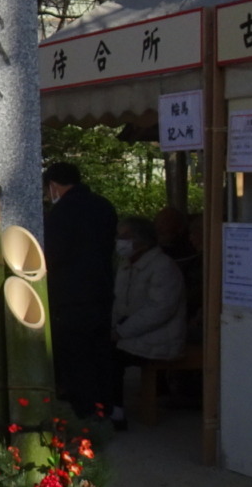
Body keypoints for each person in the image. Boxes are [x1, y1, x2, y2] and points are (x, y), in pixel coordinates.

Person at [42, 162, 119, 426]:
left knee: (76, 357)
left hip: (70, 295)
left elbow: (52, 254)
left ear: (53, 185)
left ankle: (85, 414)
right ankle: (106, 407)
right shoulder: (104, 206)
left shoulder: (61, 213)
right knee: (101, 354)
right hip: (102, 290)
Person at [110, 216, 187, 429]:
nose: (120, 241)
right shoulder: (126, 265)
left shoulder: (163, 267)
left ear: (142, 240)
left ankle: (115, 413)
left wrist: (122, 332)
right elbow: (119, 304)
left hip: (159, 338)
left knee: (110, 356)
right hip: (133, 333)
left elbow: (159, 310)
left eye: (126, 237)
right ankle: (106, 407)